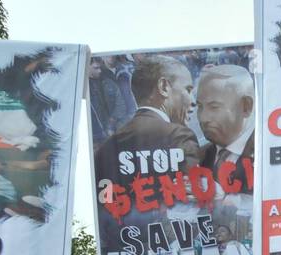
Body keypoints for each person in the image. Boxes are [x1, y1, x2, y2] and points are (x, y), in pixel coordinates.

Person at [93, 54, 200, 193]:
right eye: (188, 90)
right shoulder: (180, 136)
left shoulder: (107, 148)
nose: (193, 101)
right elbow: (197, 196)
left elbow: (105, 201)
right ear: (164, 87)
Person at [195, 64, 254, 195]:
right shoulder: (199, 156)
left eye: (214, 107)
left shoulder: (267, 157)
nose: (203, 118)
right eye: (199, 106)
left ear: (246, 107)